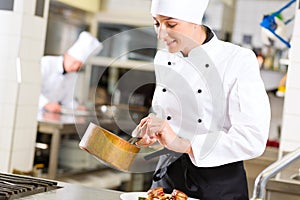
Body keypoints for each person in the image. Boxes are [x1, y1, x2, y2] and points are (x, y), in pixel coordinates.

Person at [134, 0, 271, 199]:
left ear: (195, 22)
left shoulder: (238, 60)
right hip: (167, 178)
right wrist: (154, 131)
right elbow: (165, 113)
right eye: (156, 23)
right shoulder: (163, 57)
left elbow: (252, 138)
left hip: (217, 186)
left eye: (171, 25)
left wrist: (183, 143)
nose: (161, 34)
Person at [39, 31, 102, 113]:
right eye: (75, 62)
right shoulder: (46, 63)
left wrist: (76, 108)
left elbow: (67, 100)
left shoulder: (72, 75)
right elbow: (31, 89)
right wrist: (46, 104)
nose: (75, 67)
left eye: (79, 65)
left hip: (48, 115)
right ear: (67, 55)